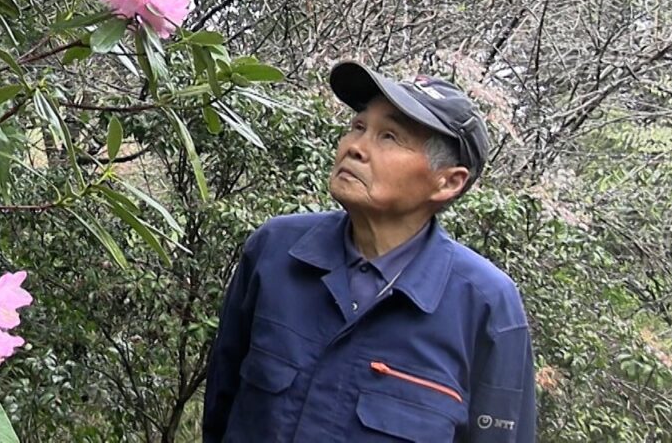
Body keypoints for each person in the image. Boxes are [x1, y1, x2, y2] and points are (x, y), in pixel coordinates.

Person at [202, 61, 537, 442]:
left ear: (448, 182)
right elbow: (221, 407)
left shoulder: (486, 305)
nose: (355, 147)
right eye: (358, 126)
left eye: (389, 137)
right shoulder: (276, 251)